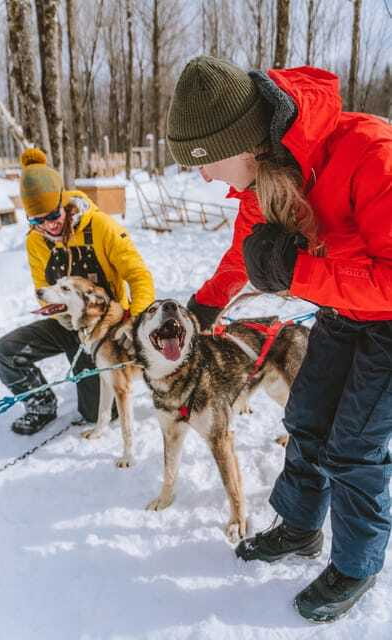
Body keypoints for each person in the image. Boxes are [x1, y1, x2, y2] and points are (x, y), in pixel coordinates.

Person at [166, 55, 392, 623]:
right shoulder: (267, 176)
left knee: (354, 447)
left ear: (244, 143)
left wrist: (298, 274)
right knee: (307, 420)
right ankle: (297, 528)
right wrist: (207, 304)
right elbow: (244, 252)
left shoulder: (373, 153)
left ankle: (357, 565)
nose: (204, 176)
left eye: (206, 161)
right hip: (342, 313)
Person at [0, 148, 155, 436]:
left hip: (108, 328)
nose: (47, 226)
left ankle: (99, 386)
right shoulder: (36, 242)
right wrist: (66, 321)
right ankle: (41, 403)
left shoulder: (100, 226)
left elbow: (139, 276)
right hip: (68, 324)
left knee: (94, 413)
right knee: (4, 352)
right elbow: (43, 289)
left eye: (52, 215)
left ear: (64, 203)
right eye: (36, 221)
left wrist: (135, 322)